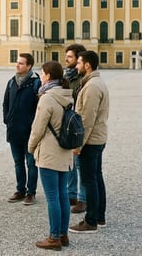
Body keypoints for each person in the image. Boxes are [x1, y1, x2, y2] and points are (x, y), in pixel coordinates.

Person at [28, 61, 74, 251]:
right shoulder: (67, 95)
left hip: (48, 152)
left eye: (42, 73)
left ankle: (54, 237)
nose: (40, 76)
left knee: (52, 196)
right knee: (63, 193)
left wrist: (31, 147)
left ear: (47, 76)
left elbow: (38, 128)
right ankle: (63, 234)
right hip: (64, 151)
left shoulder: (47, 98)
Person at [69, 50, 109, 233]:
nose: (76, 66)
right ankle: (99, 217)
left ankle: (91, 221)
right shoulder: (95, 82)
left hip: (91, 141)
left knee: (89, 181)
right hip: (97, 139)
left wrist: (78, 145)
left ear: (87, 65)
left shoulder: (92, 86)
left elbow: (87, 118)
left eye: (78, 63)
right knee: (96, 178)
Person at [3, 53, 40, 205]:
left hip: (30, 131)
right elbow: (5, 103)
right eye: (17, 63)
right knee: (18, 162)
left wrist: (33, 124)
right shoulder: (12, 82)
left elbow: (40, 108)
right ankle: (20, 190)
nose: (17, 65)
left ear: (29, 66)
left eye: (21, 63)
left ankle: (31, 192)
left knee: (31, 163)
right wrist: (7, 119)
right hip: (13, 129)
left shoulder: (36, 83)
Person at [64, 44, 87, 214]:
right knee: (70, 162)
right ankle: (71, 193)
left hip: (77, 123)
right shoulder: (67, 76)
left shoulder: (81, 80)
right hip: (68, 124)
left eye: (70, 57)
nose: (67, 59)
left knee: (80, 164)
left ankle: (83, 198)